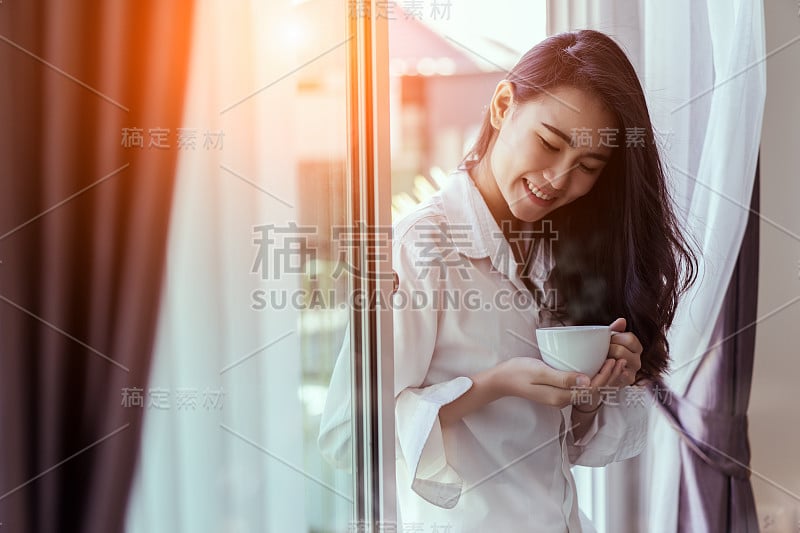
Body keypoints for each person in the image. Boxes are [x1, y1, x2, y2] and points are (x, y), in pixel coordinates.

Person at [319, 29, 697, 532]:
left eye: (587, 166)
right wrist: (490, 387)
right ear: (502, 105)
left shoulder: (560, 250)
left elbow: (563, 447)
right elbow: (349, 436)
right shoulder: (420, 247)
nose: (560, 178)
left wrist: (593, 388)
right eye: (549, 143)